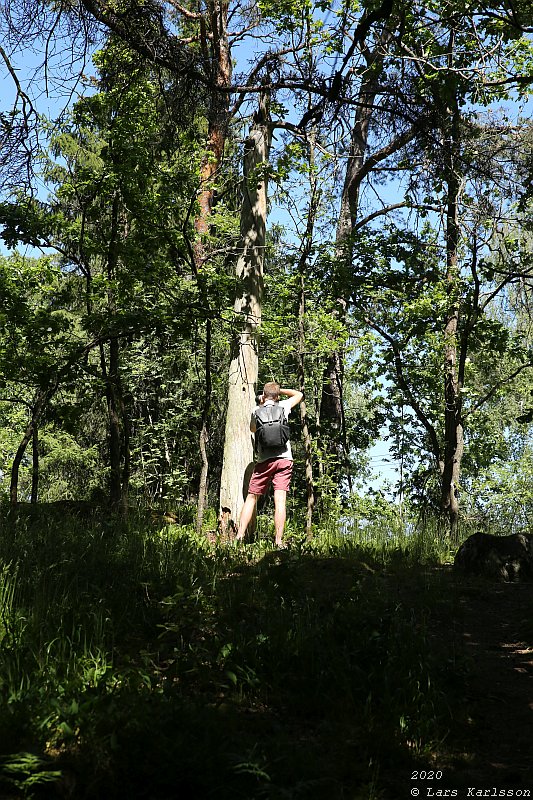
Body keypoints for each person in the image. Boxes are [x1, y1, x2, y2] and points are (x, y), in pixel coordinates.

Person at [235, 381, 303, 547]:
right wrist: (280, 391)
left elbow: (253, 429)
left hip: (264, 460)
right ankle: (278, 541)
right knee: (280, 501)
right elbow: (299, 395)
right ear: (278, 396)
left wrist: (261, 404)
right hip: (284, 459)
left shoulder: (255, 410)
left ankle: (239, 537)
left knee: (251, 498)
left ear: (263, 396)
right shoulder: (284, 406)